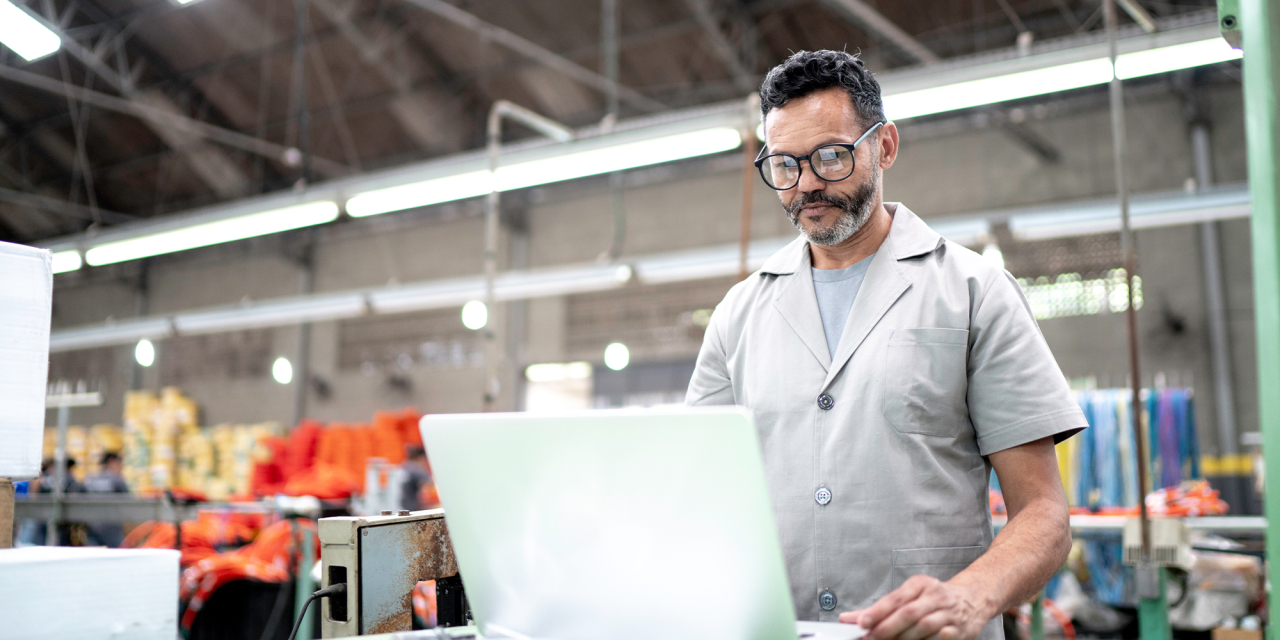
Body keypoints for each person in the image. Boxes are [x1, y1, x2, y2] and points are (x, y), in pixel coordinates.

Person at [686, 50, 1086, 640]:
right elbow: (699, 495)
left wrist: (967, 598)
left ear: (886, 146)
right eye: (786, 166)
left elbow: (1044, 516)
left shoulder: (973, 292)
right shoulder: (740, 313)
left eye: (830, 156)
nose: (808, 184)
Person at [84, 452, 130, 547]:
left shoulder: (90, 479)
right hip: (111, 525)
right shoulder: (117, 479)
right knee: (116, 555)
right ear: (112, 461)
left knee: (92, 554)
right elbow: (128, 501)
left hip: (92, 524)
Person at [399, 445, 434, 512]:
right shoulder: (415, 468)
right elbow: (431, 483)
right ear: (421, 457)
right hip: (410, 507)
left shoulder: (404, 466)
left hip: (401, 505)